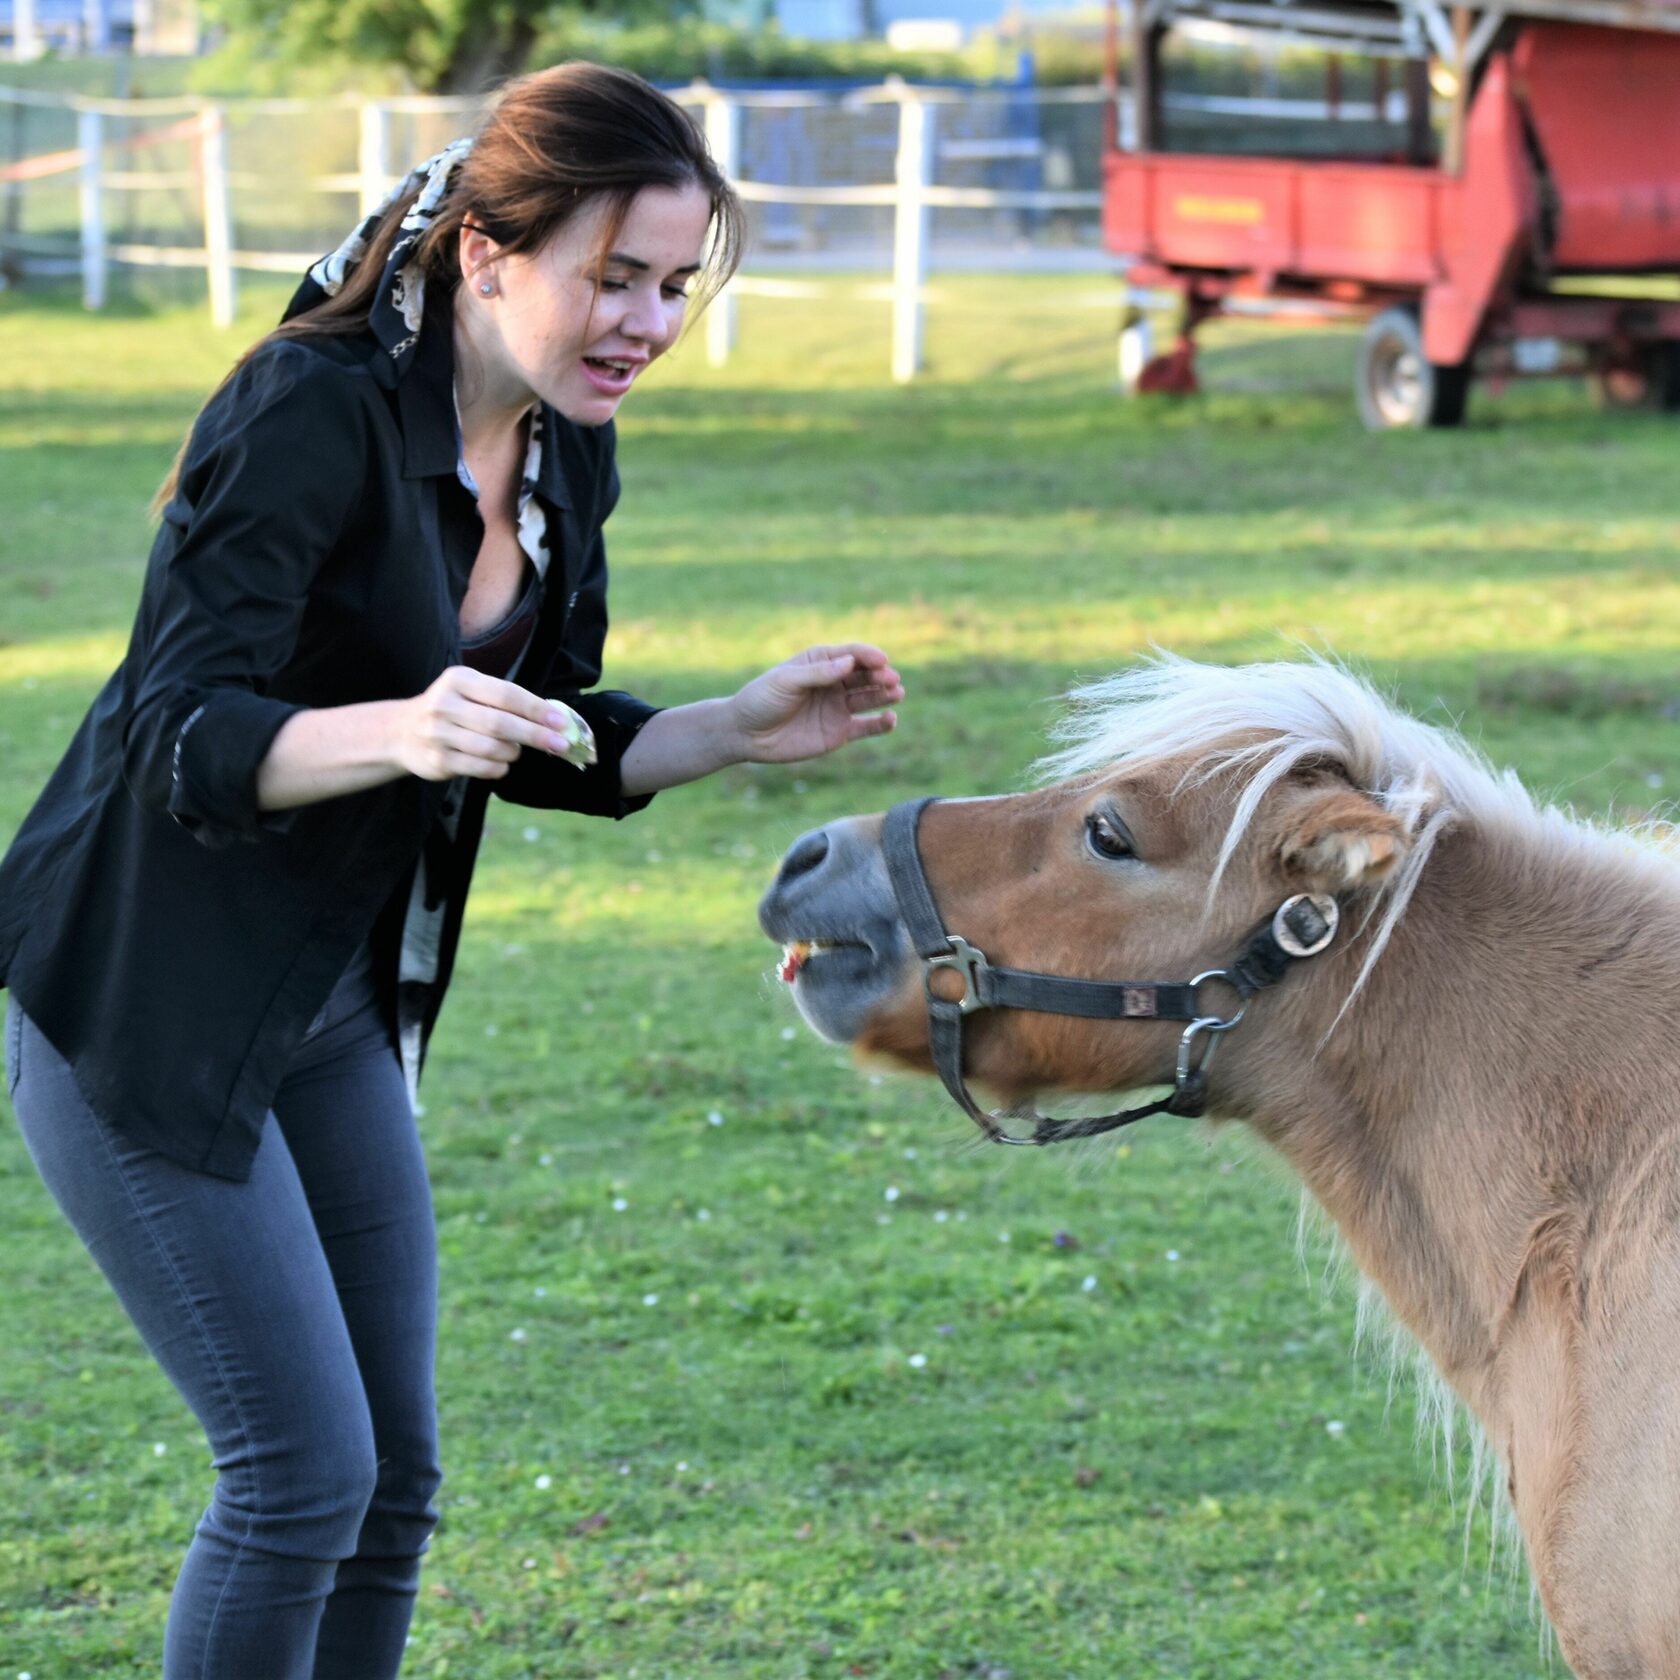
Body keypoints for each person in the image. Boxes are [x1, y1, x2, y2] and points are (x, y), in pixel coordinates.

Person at [0, 62, 902, 1680]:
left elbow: (528, 727)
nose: (645, 321)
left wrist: (733, 727)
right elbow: (182, 734)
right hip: (142, 999)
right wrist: (395, 729)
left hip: (328, 1003)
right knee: (298, 1478)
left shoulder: (563, 454)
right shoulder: (309, 410)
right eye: (609, 277)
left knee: (394, 1483)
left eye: (673, 287)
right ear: (490, 252)